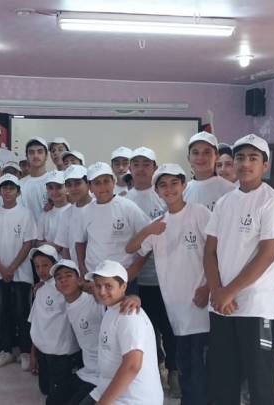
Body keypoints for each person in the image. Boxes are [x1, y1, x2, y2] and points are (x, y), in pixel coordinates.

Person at [203, 134, 274, 405]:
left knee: (259, 380)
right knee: (223, 378)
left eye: (253, 158)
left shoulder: (272, 202)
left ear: (265, 165)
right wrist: (217, 291)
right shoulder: (225, 202)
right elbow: (209, 251)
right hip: (222, 305)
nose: (245, 164)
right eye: (240, 157)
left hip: (255, 307)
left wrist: (228, 292)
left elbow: (266, 255)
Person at [127, 163, 212, 405]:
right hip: (175, 307)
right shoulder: (158, 225)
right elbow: (131, 248)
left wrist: (208, 287)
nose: (169, 189)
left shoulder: (200, 213)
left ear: (184, 185)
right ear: (157, 191)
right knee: (185, 363)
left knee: (201, 363)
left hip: (201, 303)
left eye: (175, 183)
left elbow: (216, 253)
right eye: (163, 185)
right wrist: (148, 229)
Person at [123, 147, 179, 397]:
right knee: (146, 331)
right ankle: (153, 373)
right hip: (137, 280)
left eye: (146, 164)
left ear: (154, 168)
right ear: (130, 168)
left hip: (166, 278)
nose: (141, 169)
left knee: (170, 328)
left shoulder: (165, 197)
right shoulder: (124, 200)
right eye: (136, 164)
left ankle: (175, 372)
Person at [53, 259, 144, 405]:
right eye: (59, 278)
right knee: (53, 400)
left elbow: (116, 302)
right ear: (55, 285)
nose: (64, 280)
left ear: (79, 280)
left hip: (104, 377)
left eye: (68, 275)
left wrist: (134, 298)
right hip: (87, 371)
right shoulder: (65, 304)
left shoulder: (96, 301)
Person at [81, 260, 164, 405]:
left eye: (108, 286)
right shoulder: (112, 309)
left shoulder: (129, 316)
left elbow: (132, 365)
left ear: (123, 286)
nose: (102, 291)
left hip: (133, 399)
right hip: (107, 388)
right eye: (98, 286)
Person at [0, 174, 38, 369]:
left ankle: (25, 352)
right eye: (4, 188)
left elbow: (28, 243)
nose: (7, 191)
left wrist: (12, 268)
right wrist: (1, 268)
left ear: (18, 192)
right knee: (2, 312)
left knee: (23, 312)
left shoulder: (26, 214)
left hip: (21, 273)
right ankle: (5, 350)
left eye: (11, 188)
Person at [75, 162, 149, 282]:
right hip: (95, 278)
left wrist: (132, 272)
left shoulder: (128, 207)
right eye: (97, 183)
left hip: (123, 278)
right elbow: (79, 242)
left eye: (106, 181)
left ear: (113, 182)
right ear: (90, 187)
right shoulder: (85, 212)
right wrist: (82, 268)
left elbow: (148, 238)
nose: (102, 187)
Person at [29, 244, 80, 404]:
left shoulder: (66, 289)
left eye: (45, 265)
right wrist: (33, 353)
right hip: (44, 353)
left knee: (57, 398)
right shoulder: (39, 290)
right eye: (37, 266)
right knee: (45, 389)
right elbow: (36, 324)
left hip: (63, 354)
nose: (41, 270)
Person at [184, 131, 236, 211]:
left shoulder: (230, 190)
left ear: (217, 157)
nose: (200, 157)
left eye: (206, 152)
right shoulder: (182, 192)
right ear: (188, 158)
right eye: (195, 153)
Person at [54, 165, 93, 261]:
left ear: (88, 184)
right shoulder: (66, 214)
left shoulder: (99, 207)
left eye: (77, 183)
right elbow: (66, 248)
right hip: (76, 268)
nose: (73, 188)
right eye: (69, 185)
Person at [21, 136, 51, 223]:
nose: (35, 155)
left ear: (46, 156)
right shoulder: (19, 184)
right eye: (31, 152)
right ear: (27, 157)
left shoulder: (55, 181)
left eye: (40, 152)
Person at [40, 171, 71, 247]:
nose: (54, 191)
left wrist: (58, 246)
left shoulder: (74, 210)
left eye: (59, 187)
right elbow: (38, 242)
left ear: (67, 188)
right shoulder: (45, 213)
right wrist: (54, 246)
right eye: (50, 188)